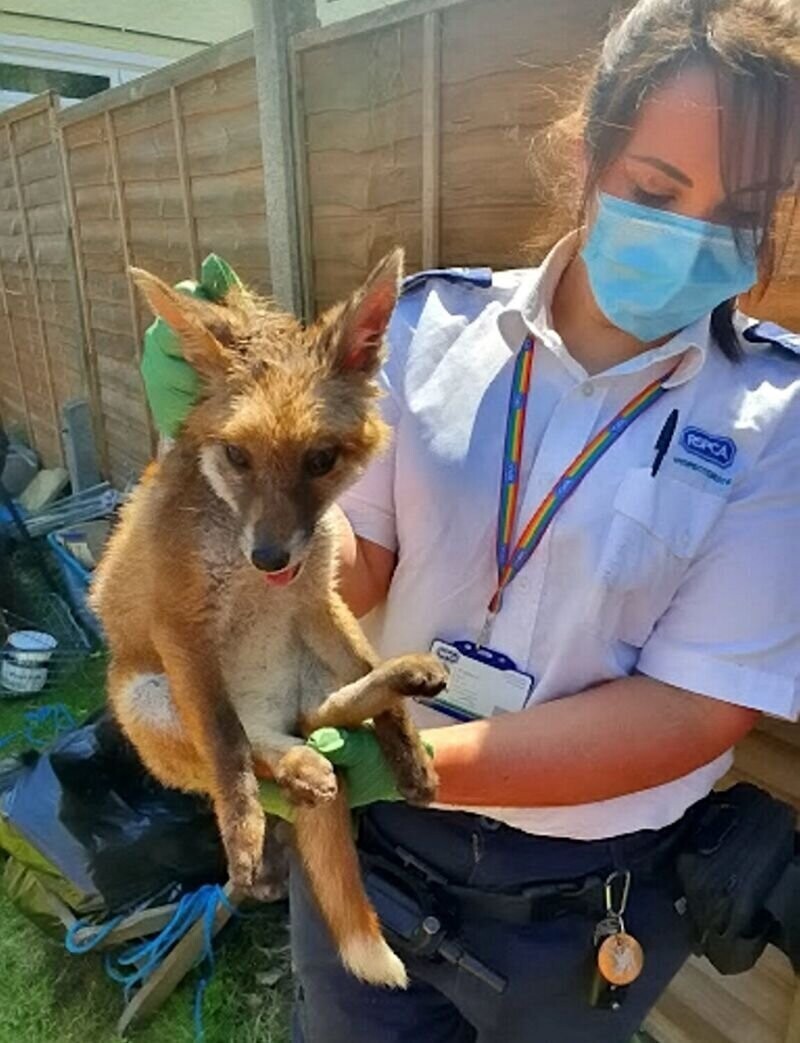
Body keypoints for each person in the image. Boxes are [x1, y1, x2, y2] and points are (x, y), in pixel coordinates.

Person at [141, 1, 800, 1039]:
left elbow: (691, 711)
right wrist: (244, 479)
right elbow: (352, 566)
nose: (693, 240)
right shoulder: (424, 329)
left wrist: (400, 755)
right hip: (372, 845)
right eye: (655, 190)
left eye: (742, 208)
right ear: (584, 158)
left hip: (580, 900)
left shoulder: (777, 420)